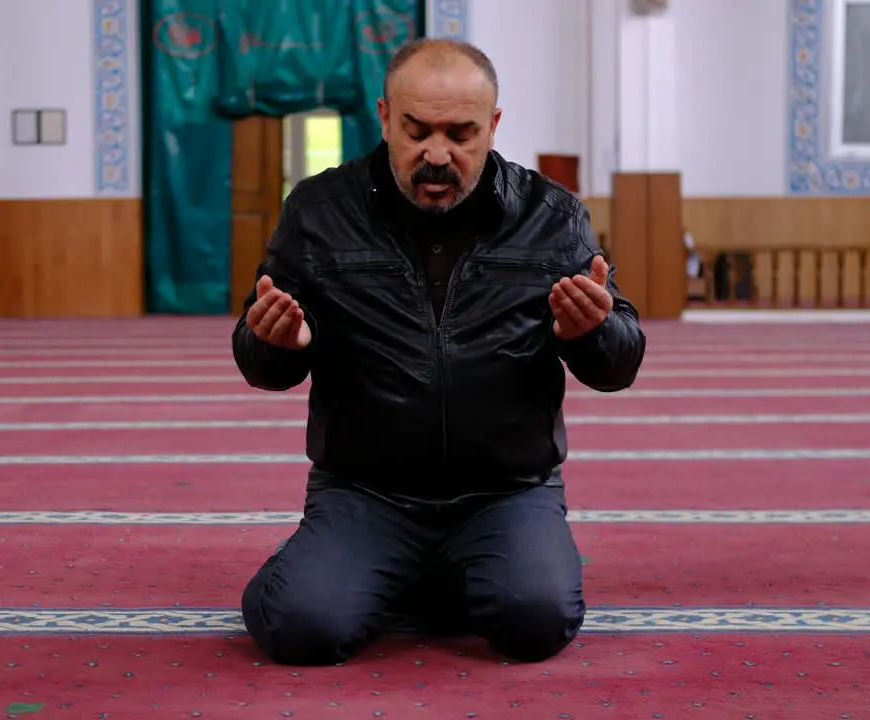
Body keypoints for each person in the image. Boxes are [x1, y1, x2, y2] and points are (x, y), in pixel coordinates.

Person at [231, 37, 647, 666]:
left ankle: (426, 571)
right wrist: (277, 343)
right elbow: (260, 360)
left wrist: (588, 332)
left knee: (534, 623)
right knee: (302, 626)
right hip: (366, 490)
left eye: (460, 133)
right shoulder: (317, 212)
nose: (436, 153)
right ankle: (367, 566)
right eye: (417, 130)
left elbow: (620, 363)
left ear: (494, 125)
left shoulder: (551, 216)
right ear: (383, 117)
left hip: (505, 491)